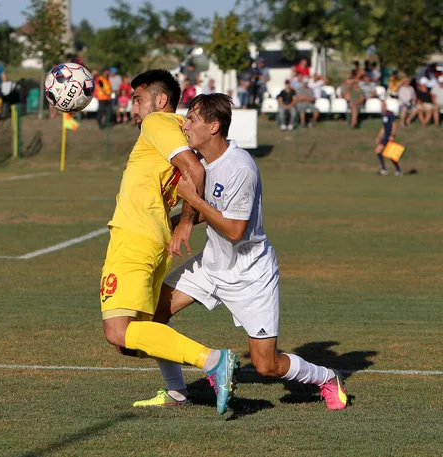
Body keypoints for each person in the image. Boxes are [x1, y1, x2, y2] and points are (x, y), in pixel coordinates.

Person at [133, 93, 348, 411]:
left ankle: (327, 378)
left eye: (192, 120)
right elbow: (208, 213)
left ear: (214, 126)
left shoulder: (240, 168)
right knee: (153, 317)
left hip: (250, 275)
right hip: (210, 266)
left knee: (267, 366)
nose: (185, 126)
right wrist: (169, 223)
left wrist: (193, 198)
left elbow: (234, 230)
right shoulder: (201, 162)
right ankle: (177, 392)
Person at [100, 69, 240, 416]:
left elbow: (196, 172)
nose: (132, 107)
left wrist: (187, 224)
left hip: (134, 238)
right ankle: (178, 390)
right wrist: (178, 225)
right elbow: (203, 184)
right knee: (137, 337)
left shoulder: (156, 123)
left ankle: (213, 360)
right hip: (152, 240)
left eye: (136, 99)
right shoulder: (180, 131)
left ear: (159, 101)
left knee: (118, 333)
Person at [375, 100, 402, 176]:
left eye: (383, 105)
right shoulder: (383, 115)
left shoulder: (390, 114)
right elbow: (383, 127)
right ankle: (384, 169)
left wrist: (392, 135)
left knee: (391, 155)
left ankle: (398, 170)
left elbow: (394, 124)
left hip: (389, 137)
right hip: (385, 137)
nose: (382, 107)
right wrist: (378, 137)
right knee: (378, 151)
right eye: (381, 105)